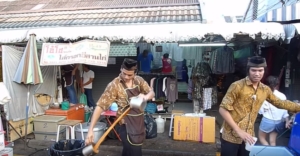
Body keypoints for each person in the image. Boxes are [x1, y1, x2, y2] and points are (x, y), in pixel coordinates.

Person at [219, 56, 300, 156]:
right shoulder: (237, 86)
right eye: (253, 70)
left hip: (248, 136)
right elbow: (223, 109)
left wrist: (297, 107)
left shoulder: (265, 89)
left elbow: (280, 103)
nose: (257, 74)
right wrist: (238, 130)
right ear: (248, 70)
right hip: (230, 134)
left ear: (264, 71)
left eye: (260, 70)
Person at [85, 58, 155, 156]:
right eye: (124, 73)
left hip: (139, 124)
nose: (126, 77)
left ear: (135, 73)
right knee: (134, 152)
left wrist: (145, 97)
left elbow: (151, 92)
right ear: (121, 69)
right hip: (126, 126)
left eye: (129, 75)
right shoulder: (114, 85)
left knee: (128, 153)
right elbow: (100, 106)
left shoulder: (139, 81)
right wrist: (90, 130)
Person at [258, 75, 292, 146]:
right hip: (278, 122)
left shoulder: (265, 95)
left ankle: (268, 152)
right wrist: (287, 121)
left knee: (261, 138)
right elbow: (285, 111)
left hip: (267, 121)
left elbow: (261, 112)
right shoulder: (283, 96)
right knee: (272, 141)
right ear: (277, 84)